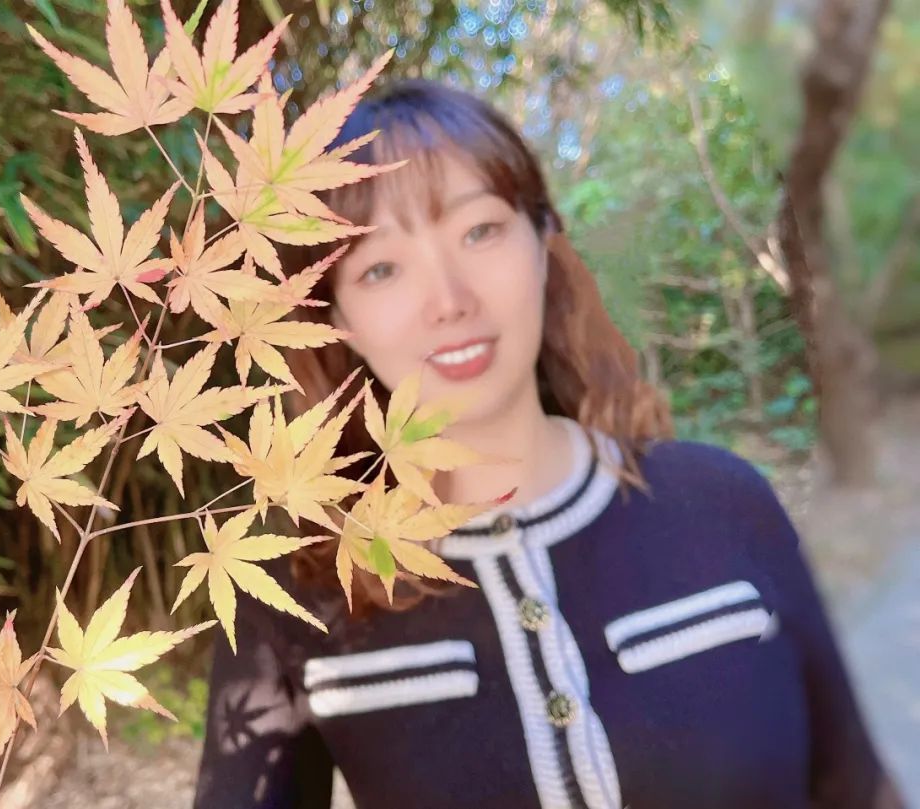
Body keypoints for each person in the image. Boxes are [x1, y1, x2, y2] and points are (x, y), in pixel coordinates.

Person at [191, 79, 902, 809]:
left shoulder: (723, 503)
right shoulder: (301, 589)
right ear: (338, 320)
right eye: (380, 269)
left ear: (542, 245)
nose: (449, 300)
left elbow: (857, 784)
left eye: (480, 232)